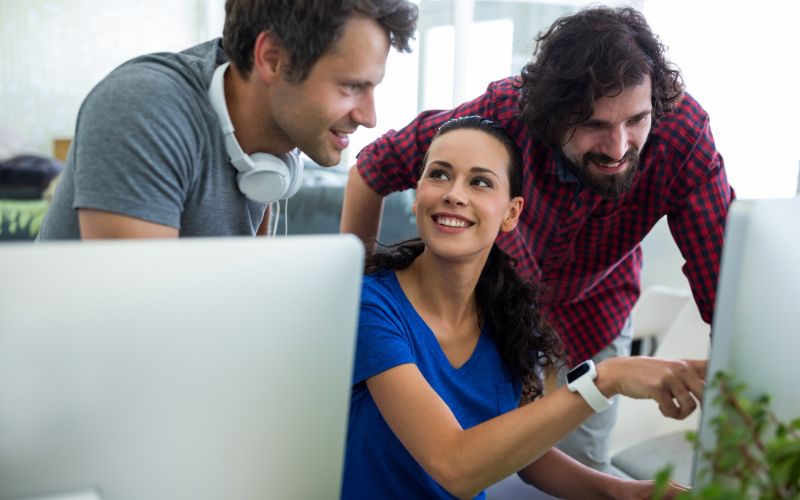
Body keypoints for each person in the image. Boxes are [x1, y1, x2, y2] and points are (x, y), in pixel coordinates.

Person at [340, 6, 733, 473]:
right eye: (593, 125)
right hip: (495, 316)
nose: (617, 146)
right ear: (550, 115)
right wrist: (353, 307)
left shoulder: (682, 137)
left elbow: (727, 291)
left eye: (636, 120)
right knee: (437, 453)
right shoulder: (501, 116)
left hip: (594, 314)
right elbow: (373, 168)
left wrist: (743, 426)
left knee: (576, 462)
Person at [342, 115, 703, 499]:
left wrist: (621, 492)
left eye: (480, 182)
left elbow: (521, 452)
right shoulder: (370, 305)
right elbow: (454, 464)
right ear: (417, 198)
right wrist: (605, 379)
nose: (454, 194)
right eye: (439, 175)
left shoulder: (507, 319)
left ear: (511, 213)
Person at [37, 0, 418, 240]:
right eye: (351, 87)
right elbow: (139, 327)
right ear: (272, 59)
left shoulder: (273, 143)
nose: (369, 117)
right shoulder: (144, 108)